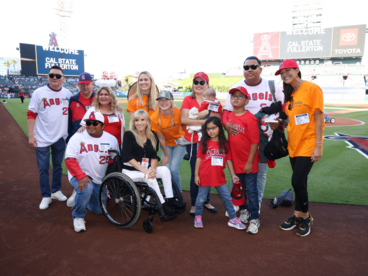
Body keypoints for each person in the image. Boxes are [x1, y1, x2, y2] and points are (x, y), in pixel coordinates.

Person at [222, 56, 284, 210]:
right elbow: (226, 112)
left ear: (260, 69)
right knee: (237, 170)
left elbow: (283, 108)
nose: (249, 70)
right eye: (246, 67)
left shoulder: (271, 85)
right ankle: (237, 202)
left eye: (253, 66)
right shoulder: (236, 87)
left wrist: (280, 122)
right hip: (240, 134)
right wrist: (226, 123)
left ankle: (257, 203)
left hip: (264, 135)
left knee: (261, 172)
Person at [276, 60, 324, 237]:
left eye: (287, 71)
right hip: (293, 144)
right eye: (281, 73)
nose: (284, 75)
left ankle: (306, 217)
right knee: (300, 182)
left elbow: (318, 118)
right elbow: (291, 119)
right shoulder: (291, 93)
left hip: (309, 143)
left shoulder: (312, 88)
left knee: (296, 181)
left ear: (297, 70)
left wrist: (318, 145)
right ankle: (297, 215)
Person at [122, 110, 186, 221]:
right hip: (130, 171)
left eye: (142, 120)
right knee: (150, 177)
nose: (139, 123)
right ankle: (163, 207)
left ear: (147, 121)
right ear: (133, 122)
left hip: (145, 169)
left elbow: (153, 156)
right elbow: (127, 157)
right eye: (136, 120)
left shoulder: (152, 136)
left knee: (165, 170)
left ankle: (170, 199)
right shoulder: (129, 134)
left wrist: (153, 169)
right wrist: (146, 171)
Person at [67, 87, 125, 207]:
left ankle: (112, 195)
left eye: (106, 94)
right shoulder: (93, 109)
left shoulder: (118, 110)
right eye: (101, 94)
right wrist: (81, 129)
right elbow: (85, 126)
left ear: (111, 97)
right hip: (97, 145)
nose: (103, 96)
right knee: (97, 169)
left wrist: (123, 144)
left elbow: (122, 127)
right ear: (98, 96)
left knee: (112, 171)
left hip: (115, 145)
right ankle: (79, 192)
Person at [65, 111, 119, 232]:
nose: (91, 126)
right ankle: (78, 216)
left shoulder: (111, 139)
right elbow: (69, 160)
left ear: (103, 126)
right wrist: (81, 176)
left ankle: (82, 198)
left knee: (99, 210)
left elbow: (113, 161)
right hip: (79, 175)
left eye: (95, 123)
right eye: (88, 123)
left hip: (98, 178)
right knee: (86, 187)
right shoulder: (77, 137)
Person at [27, 65, 73, 210]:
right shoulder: (39, 93)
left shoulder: (68, 94)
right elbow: (31, 114)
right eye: (52, 75)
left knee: (58, 166)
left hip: (60, 137)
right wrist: (31, 135)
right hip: (41, 137)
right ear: (47, 77)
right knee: (43, 168)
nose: (55, 78)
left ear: (63, 79)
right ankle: (46, 195)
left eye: (58, 76)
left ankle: (55, 190)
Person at [180, 72, 221, 216]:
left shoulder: (213, 101)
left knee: (208, 171)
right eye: (196, 82)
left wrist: (205, 121)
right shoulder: (188, 99)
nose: (198, 85)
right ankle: (194, 203)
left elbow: (218, 119)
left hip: (210, 142)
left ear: (207, 84)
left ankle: (205, 201)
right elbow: (184, 120)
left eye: (201, 82)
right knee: (196, 172)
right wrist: (205, 122)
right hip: (193, 142)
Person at [194, 117, 245, 230]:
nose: (211, 131)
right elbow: (198, 159)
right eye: (208, 129)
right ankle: (198, 216)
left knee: (227, 198)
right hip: (205, 176)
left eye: (213, 128)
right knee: (201, 199)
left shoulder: (225, 144)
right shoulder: (204, 143)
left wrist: (233, 175)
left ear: (219, 128)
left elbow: (229, 160)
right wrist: (196, 175)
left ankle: (233, 218)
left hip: (219, 177)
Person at [225, 86, 261, 234]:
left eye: (240, 96)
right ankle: (244, 211)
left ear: (246, 100)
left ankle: (255, 218)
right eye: (234, 95)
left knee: (251, 191)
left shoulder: (250, 118)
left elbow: (255, 142)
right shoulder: (229, 117)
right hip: (236, 161)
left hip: (248, 163)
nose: (236, 98)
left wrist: (249, 162)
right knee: (240, 190)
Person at [150, 91, 186, 192]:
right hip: (166, 144)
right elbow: (161, 138)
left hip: (180, 143)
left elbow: (186, 127)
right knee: (166, 169)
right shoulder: (154, 117)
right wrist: (166, 155)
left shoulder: (178, 112)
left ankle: (178, 194)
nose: (163, 102)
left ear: (171, 101)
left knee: (174, 169)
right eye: (160, 100)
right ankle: (170, 193)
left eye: (166, 99)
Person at [67, 72, 95, 143]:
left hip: (95, 138)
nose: (85, 87)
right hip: (77, 138)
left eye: (87, 84)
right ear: (78, 85)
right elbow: (69, 121)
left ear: (92, 84)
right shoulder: (73, 100)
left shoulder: (99, 99)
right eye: (82, 85)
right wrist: (68, 138)